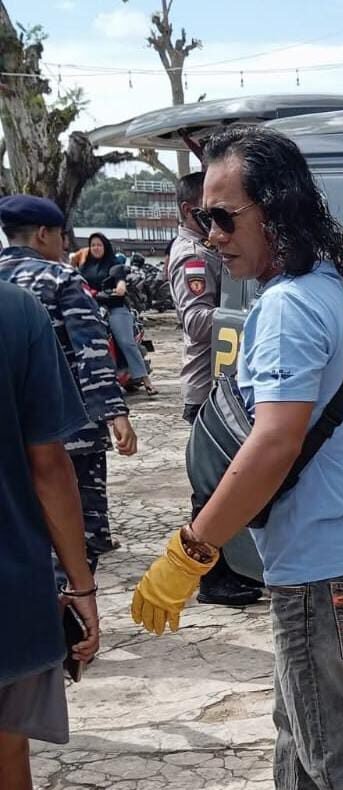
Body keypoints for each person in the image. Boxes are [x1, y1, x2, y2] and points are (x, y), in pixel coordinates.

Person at [129, 125, 343, 790]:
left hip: (322, 571)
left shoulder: (289, 307)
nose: (212, 237)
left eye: (225, 219)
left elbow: (274, 443)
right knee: (301, 737)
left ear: (278, 208)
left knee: (339, 758)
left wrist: (192, 550)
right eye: (204, 219)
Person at [0, 281, 101, 790]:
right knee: (6, 749)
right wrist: (81, 585)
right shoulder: (16, 312)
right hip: (10, 592)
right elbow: (49, 466)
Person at [0, 196, 138, 561]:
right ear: (42, 234)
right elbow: (90, 352)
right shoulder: (60, 278)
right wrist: (115, 413)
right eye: (62, 235)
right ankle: (79, 582)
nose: (64, 245)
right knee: (81, 520)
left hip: (11, 427)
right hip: (65, 422)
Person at [168, 172, 263, 607]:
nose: (216, 233)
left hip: (223, 382)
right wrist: (246, 317)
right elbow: (195, 320)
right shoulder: (191, 255)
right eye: (210, 217)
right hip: (207, 383)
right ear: (191, 211)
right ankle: (213, 576)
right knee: (210, 483)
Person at [79, 232, 157, 395]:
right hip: (93, 308)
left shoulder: (114, 265)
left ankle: (146, 381)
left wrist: (119, 288)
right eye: (93, 245)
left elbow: (120, 282)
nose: (96, 248)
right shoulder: (85, 267)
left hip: (115, 308)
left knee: (126, 342)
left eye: (99, 245)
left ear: (105, 246)